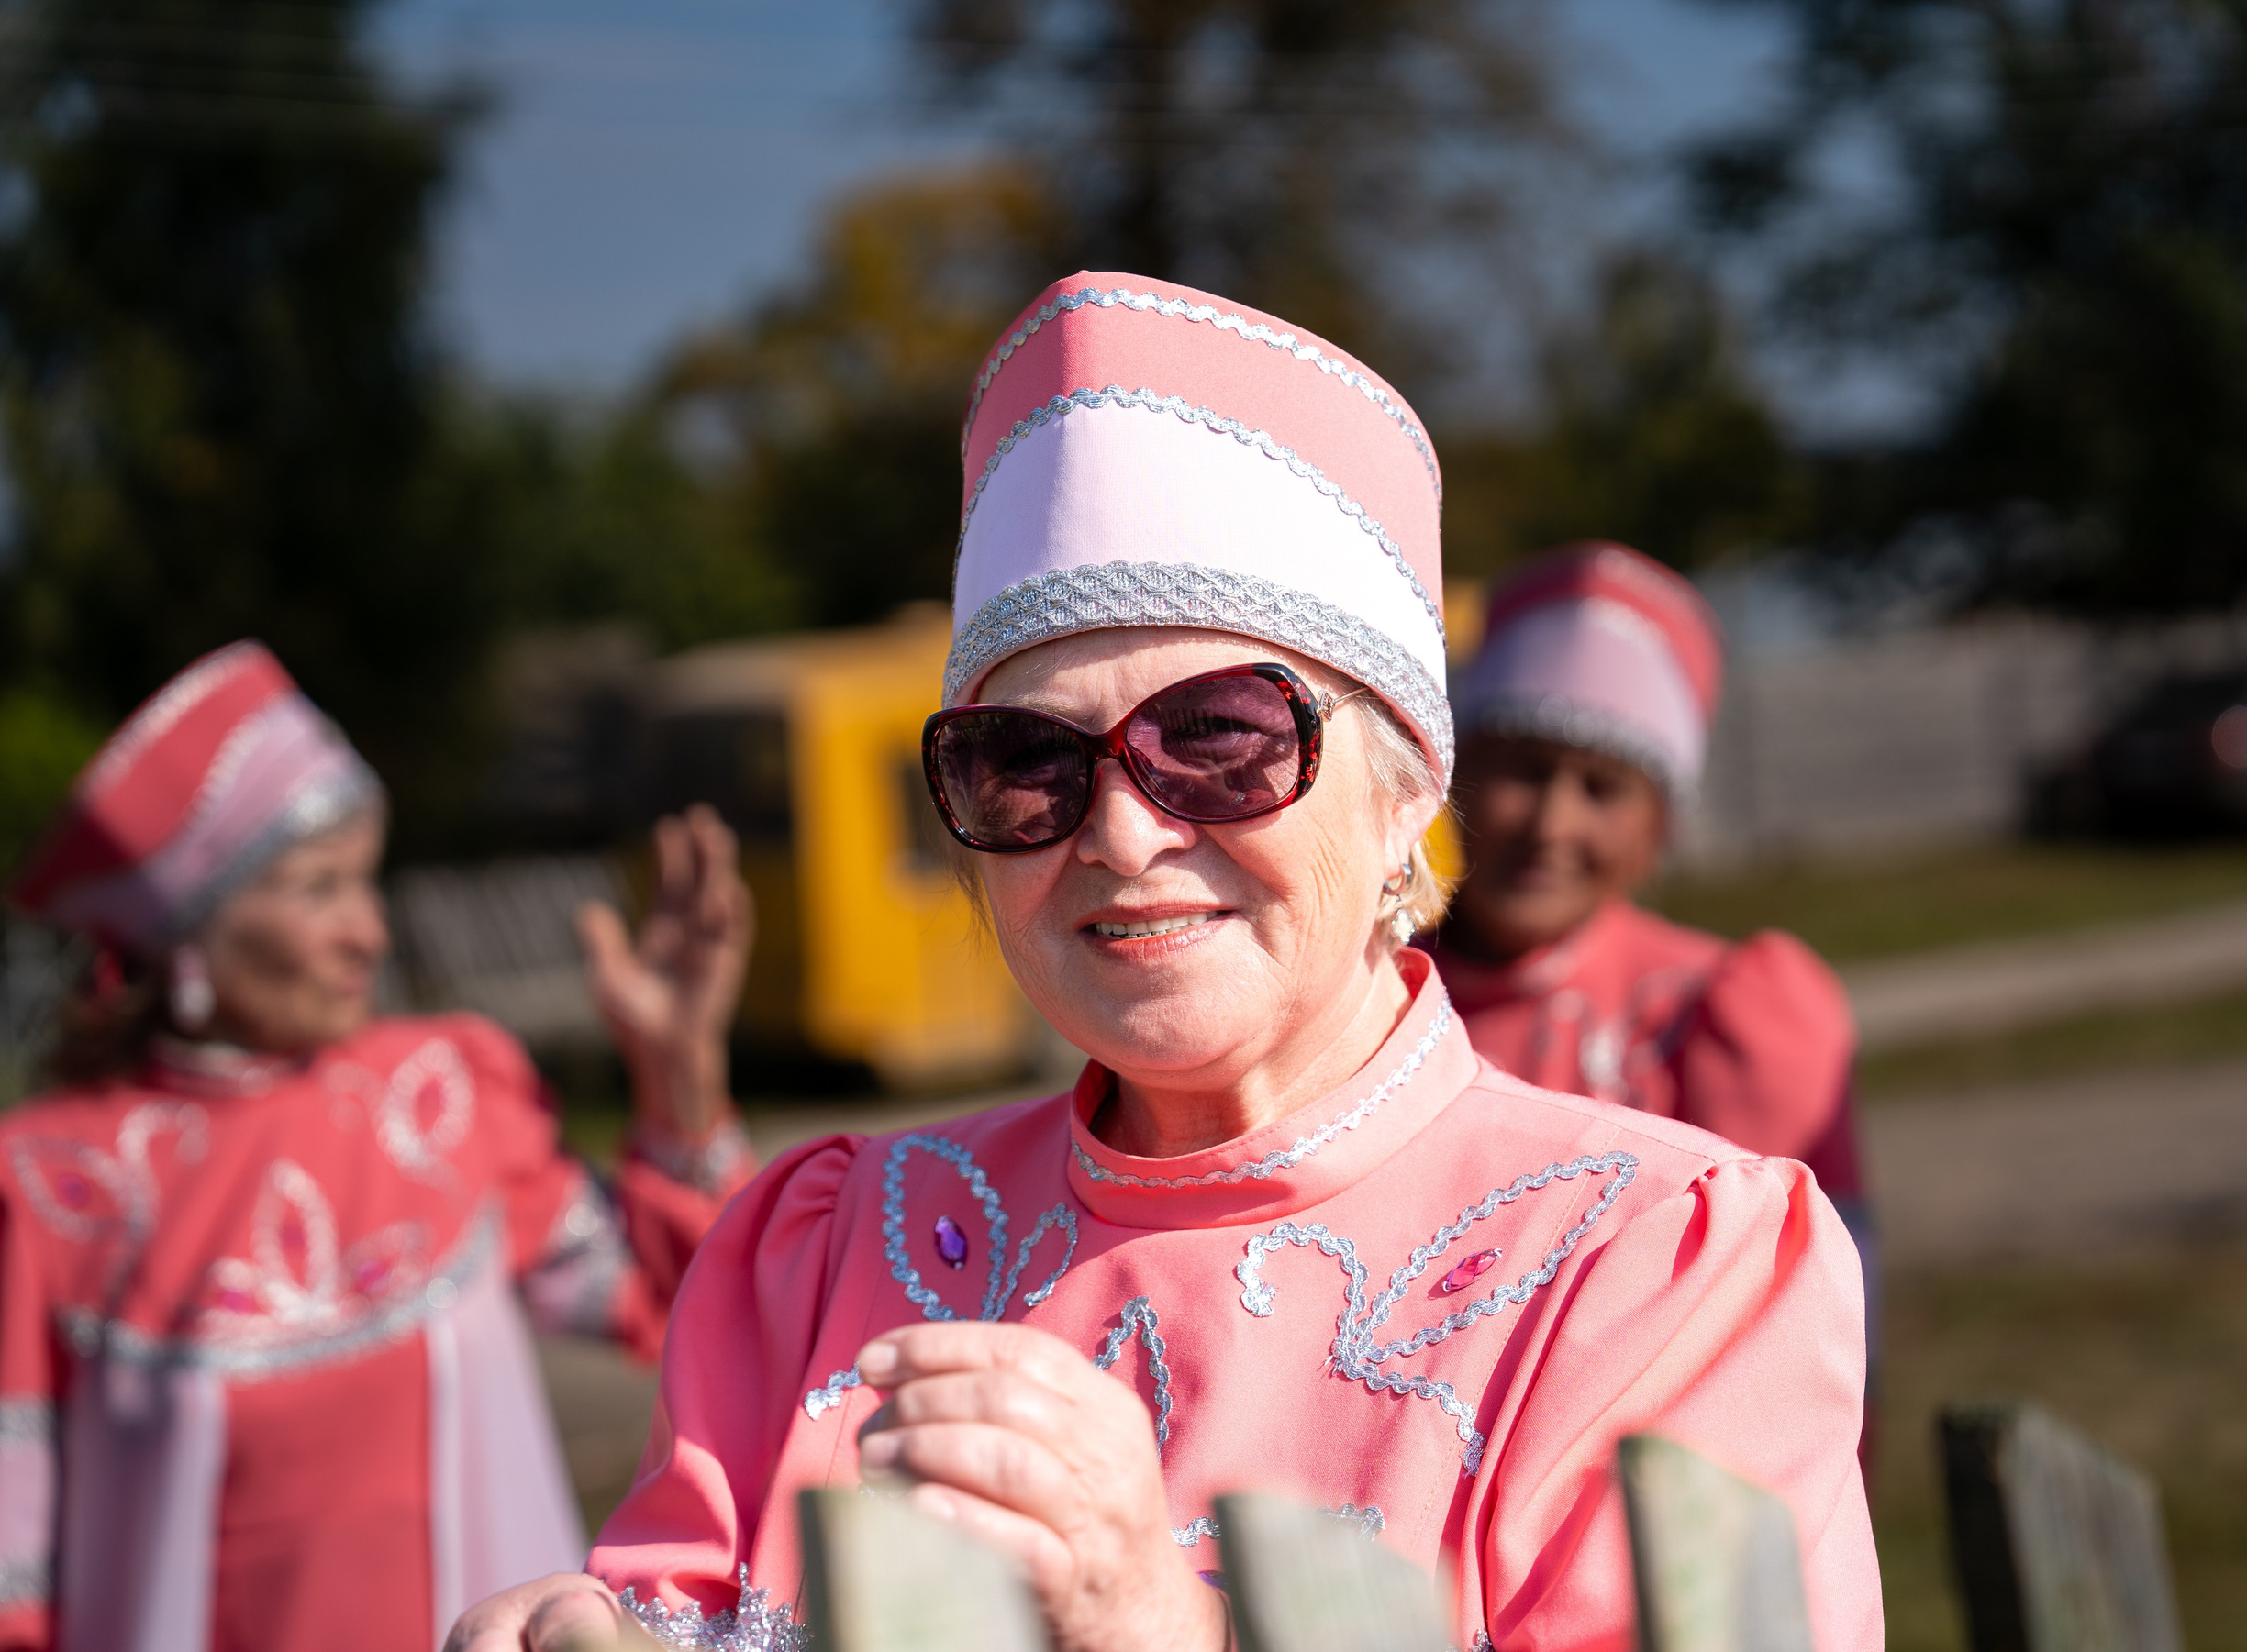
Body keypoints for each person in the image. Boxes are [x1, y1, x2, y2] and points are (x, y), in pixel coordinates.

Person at [451, 273, 1880, 1652]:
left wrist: (1166, 1630)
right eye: (1027, 762)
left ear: (1406, 795)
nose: (1123, 834)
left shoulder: (1655, 1268)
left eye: (1217, 737)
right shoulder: (823, 1251)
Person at [0, 641, 758, 1652]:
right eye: (319, 889)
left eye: (366, 882)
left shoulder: (441, 1095)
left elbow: (689, 1309)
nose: (369, 931)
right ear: (186, 930)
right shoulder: (50, 1186)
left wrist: (678, 1070)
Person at [1426, 547, 1874, 1362]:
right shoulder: (1368, 991)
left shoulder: (1723, 1011)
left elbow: (1795, 1330)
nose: (1552, 825)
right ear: (1455, 773)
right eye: (1524, 772)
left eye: (1601, 789)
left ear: (1658, 825)